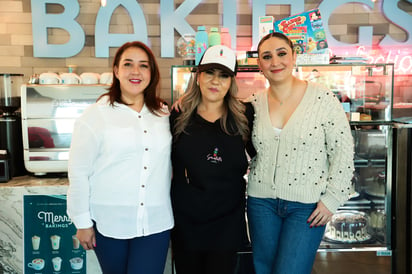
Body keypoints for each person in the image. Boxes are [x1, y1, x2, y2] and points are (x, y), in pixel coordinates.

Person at [246, 32, 354, 274]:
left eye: (281, 53)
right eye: (267, 56)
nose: (275, 62)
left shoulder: (322, 98)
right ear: (259, 65)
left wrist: (332, 199)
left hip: (307, 206)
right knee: (264, 269)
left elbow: (343, 151)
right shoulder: (252, 103)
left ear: (294, 57)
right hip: (260, 203)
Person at [66, 41, 173, 274]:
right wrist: (82, 223)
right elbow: (78, 173)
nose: (136, 71)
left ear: (151, 72)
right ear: (116, 71)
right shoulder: (95, 115)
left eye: (143, 65)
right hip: (109, 223)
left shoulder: (163, 113)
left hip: (156, 222)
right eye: (128, 64)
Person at [169, 45, 255, 274]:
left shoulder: (246, 115)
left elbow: (261, 156)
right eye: (209, 73)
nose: (215, 81)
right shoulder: (178, 116)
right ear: (198, 76)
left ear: (231, 81)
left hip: (226, 223)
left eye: (224, 75)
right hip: (186, 223)